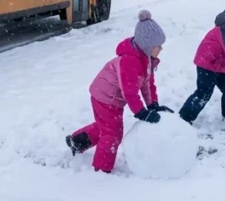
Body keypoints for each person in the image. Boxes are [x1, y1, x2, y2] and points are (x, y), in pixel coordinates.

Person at [66, 10, 172, 173]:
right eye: (158, 46)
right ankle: (101, 170)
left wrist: (153, 105)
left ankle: (77, 141)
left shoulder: (146, 60)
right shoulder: (130, 61)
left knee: (106, 126)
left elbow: (147, 83)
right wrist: (141, 112)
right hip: (104, 97)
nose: (161, 49)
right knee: (112, 132)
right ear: (148, 46)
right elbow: (129, 92)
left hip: (112, 98)